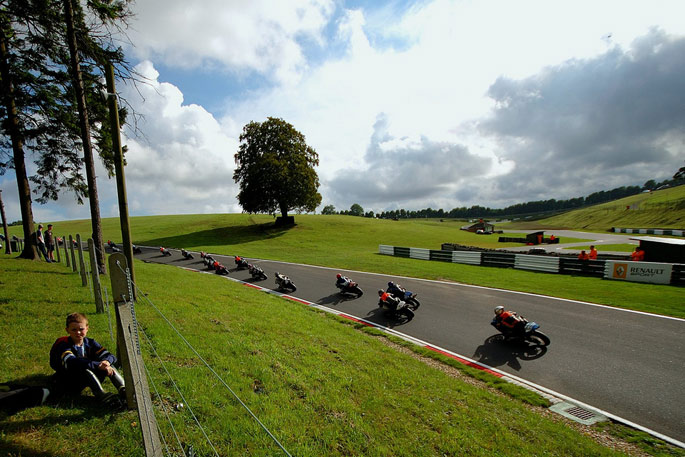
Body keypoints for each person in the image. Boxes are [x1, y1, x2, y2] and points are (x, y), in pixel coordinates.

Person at [49, 313, 125, 407]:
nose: (78, 332)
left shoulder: (90, 343)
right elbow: (72, 362)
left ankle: (123, 388)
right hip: (68, 379)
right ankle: (101, 394)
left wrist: (106, 362)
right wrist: (97, 365)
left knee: (109, 366)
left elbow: (110, 355)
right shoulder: (64, 345)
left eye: (81, 329)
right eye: (74, 330)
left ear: (87, 328)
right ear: (67, 330)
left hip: (87, 376)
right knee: (84, 367)